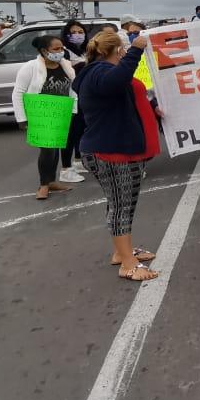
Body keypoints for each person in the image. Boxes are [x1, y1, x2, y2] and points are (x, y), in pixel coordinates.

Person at [74, 30, 164, 282]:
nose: (126, 52)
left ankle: (121, 251)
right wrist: (136, 50)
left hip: (122, 148)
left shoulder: (103, 72)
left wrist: (154, 107)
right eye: (123, 48)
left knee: (123, 204)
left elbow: (129, 92)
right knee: (121, 207)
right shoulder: (98, 73)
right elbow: (117, 80)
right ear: (113, 51)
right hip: (110, 151)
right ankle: (127, 263)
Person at [12, 35, 78, 201]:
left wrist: (73, 110)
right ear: (43, 51)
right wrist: (21, 118)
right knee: (47, 150)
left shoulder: (66, 65)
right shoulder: (30, 67)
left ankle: (52, 181)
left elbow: (73, 89)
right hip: (41, 114)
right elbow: (18, 92)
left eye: (62, 48)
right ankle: (44, 185)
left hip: (61, 114)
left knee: (56, 148)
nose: (60, 52)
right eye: (56, 49)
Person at [57, 20, 90, 183]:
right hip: (69, 96)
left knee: (80, 130)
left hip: (83, 95)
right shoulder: (64, 51)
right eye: (74, 32)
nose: (78, 35)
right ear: (67, 34)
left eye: (80, 31)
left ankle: (77, 161)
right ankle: (65, 168)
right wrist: (82, 65)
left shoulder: (85, 49)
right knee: (69, 133)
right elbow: (65, 72)